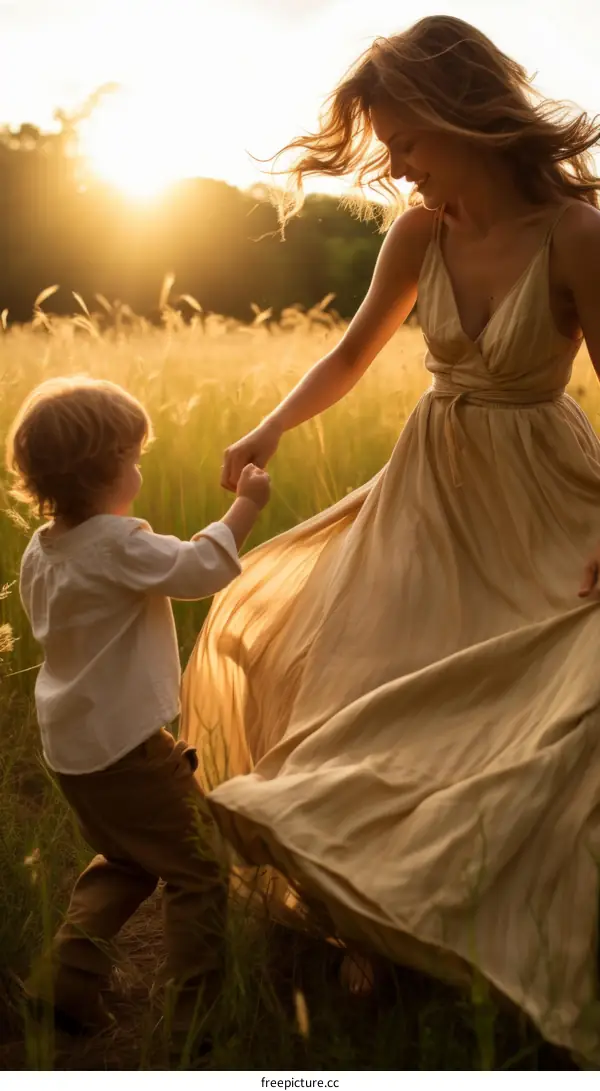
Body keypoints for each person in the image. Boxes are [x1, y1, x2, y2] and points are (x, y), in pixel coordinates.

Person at [181, 14, 600, 1065]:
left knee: (545, 706)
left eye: (407, 140)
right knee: (351, 677)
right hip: (432, 488)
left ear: (466, 115)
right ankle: (378, 924)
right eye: (388, 145)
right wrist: (272, 423)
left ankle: (504, 931)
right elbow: (353, 354)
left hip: (543, 491)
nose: (397, 165)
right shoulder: (419, 234)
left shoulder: (580, 235)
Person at [6, 376, 270, 1046]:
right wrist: (246, 507)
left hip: (73, 748)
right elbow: (197, 568)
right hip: (127, 748)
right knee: (199, 866)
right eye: (131, 457)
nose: (140, 468)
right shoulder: (118, 545)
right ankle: (196, 1021)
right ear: (101, 471)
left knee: (125, 858)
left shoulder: (42, 548)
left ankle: (60, 987)